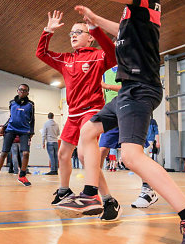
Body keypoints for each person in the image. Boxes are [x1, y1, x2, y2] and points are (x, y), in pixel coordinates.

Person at [52, 0, 185, 244]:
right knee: (89, 132)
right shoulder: (138, 13)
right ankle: (91, 194)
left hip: (141, 87)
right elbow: (121, 30)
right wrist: (95, 19)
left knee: (130, 156)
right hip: (129, 89)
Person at [36, 11, 122, 221]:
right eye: (71, 33)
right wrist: (48, 31)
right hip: (73, 113)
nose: (73, 35)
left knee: (84, 155)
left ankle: (106, 199)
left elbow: (112, 53)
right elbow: (41, 53)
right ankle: (64, 191)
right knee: (63, 154)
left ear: (89, 37)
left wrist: (94, 27)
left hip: (92, 111)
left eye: (78, 32)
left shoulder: (98, 55)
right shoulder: (65, 60)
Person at [102, 66, 158, 208]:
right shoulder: (105, 72)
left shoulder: (129, 64)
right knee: (98, 153)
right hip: (111, 114)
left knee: (134, 156)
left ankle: (148, 190)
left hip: (130, 110)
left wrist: (106, 86)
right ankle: (97, 194)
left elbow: (132, 87)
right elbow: (104, 95)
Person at [0, 84, 34, 187]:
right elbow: (11, 117)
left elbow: (32, 119)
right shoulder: (12, 103)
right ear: (17, 91)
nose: (22, 92)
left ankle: (22, 175)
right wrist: (3, 127)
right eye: (20, 90)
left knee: (26, 153)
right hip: (11, 129)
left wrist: (31, 132)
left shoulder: (31, 105)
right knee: (4, 153)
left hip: (24, 131)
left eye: (25, 90)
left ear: (27, 93)